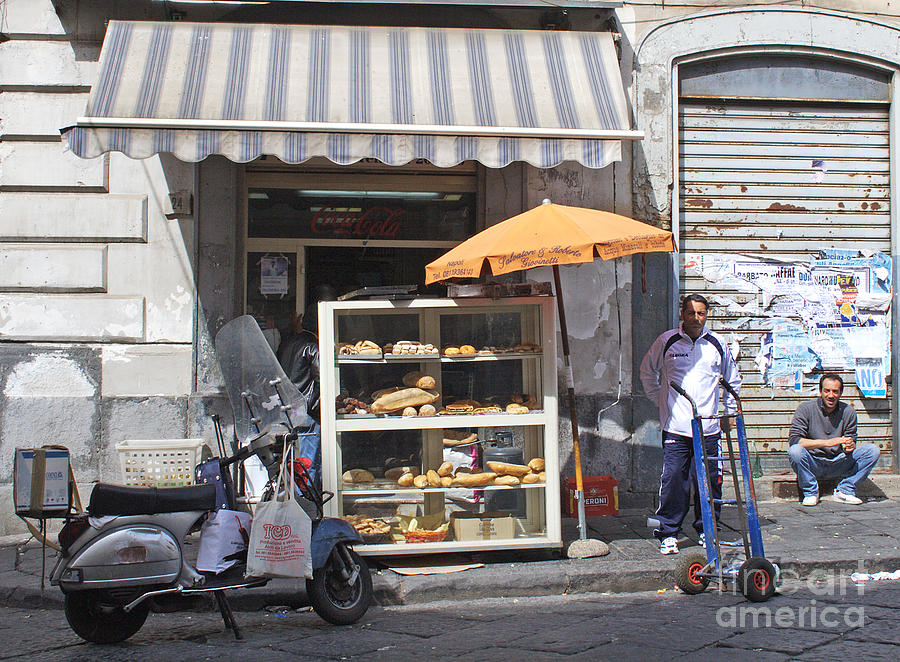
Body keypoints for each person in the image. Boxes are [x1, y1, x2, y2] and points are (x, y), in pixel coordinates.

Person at [640, 294, 742, 555]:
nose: (696, 318)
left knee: (709, 481)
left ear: (706, 315)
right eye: (691, 313)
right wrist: (659, 400)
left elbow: (732, 380)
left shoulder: (717, 343)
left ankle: (707, 530)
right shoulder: (667, 341)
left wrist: (730, 413)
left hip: (708, 428)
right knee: (674, 479)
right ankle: (668, 533)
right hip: (676, 427)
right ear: (682, 315)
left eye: (701, 313)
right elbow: (647, 371)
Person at [787, 373, 880, 506]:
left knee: (873, 451)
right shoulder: (805, 409)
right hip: (814, 462)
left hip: (838, 462)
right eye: (827, 391)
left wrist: (849, 445)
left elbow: (850, 439)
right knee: (795, 451)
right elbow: (795, 440)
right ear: (820, 391)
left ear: (841, 393)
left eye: (835, 391)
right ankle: (811, 493)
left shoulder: (849, 411)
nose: (831, 395)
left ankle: (845, 490)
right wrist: (827, 442)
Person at [277, 302, 322, 489]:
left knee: (295, 463)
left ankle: (296, 499)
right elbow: (322, 378)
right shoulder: (313, 345)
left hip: (291, 409)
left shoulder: (286, 343)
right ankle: (308, 506)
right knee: (308, 463)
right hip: (308, 410)